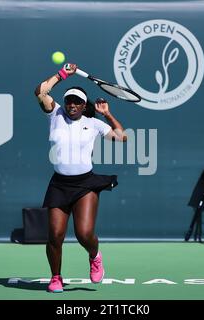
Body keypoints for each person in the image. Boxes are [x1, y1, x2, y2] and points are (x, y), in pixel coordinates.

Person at [34, 63, 127, 293]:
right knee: (55, 235)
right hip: (60, 184)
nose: (72, 105)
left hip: (85, 185)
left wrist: (107, 114)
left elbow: (122, 137)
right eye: (69, 101)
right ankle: (56, 277)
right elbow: (40, 92)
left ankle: (95, 256)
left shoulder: (93, 123)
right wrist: (62, 74)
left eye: (76, 102)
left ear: (84, 105)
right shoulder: (55, 114)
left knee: (84, 234)